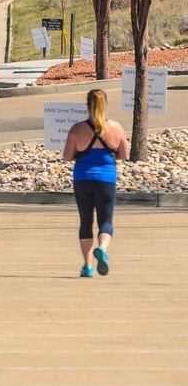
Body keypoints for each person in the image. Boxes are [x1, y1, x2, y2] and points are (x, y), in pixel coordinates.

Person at [61, 89, 130, 278]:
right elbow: (124, 154)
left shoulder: (77, 129)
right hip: (106, 179)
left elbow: (66, 157)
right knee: (106, 221)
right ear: (105, 105)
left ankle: (88, 266)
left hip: (82, 178)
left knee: (85, 221)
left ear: (88, 106)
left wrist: (79, 153)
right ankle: (103, 249)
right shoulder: (116, 128)